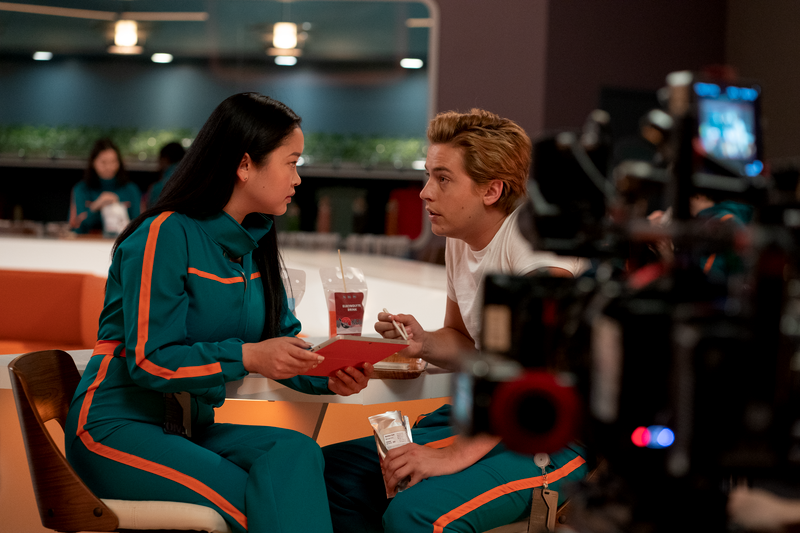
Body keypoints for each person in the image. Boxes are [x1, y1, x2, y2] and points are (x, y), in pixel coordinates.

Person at [65, 93, 373, 533]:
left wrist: (331, 373)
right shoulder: (164, 234)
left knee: (296, 452)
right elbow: (151, 361)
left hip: (188, 429)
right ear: (245, 165)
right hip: (116, 427)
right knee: (266, 506)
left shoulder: (254, 242)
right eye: (291, 162)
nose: (298, 178)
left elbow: (281, 343)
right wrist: (248, 356)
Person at [323, 109, 589, 533]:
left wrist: (451, 456)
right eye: (428, 175)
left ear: (492, 190)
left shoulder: (533, 241)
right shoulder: (460, 238)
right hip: (488, 414)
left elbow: (538, 365)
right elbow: (464, 340)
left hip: (553, 431)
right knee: (336, 473)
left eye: (443, 179)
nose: (425, 192)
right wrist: (423, 342)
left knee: (415, 513)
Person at [69, 138, 142, 234]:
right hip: (88, 241)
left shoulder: (131, 189)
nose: (109, 167)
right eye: (103, 162)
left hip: (122, 241)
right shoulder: (81, 189)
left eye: (113, 161)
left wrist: (118, 206)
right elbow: (76, 227)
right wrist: (96, 206)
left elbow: (138, 226)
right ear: (93, 163)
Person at [143, 141, 186, 210]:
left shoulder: (158, 187)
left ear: (165, 159)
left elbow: (152, 212)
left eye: (159, 160)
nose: (158, 164)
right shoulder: (192, 178)